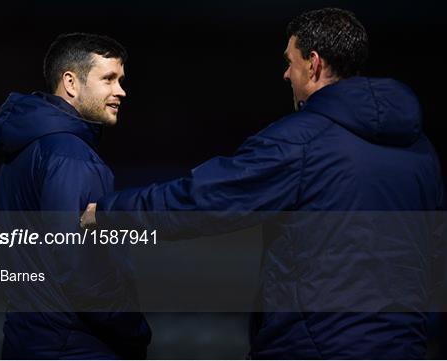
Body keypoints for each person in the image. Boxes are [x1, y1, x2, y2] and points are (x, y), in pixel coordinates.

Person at [81, 8, 444, 359]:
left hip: (313, 348)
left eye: (290, 61)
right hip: (403, 347)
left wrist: (111, 212)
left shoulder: (300, 141)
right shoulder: (419, 148)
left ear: (314, 63)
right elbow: (435, 250)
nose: (286, 74)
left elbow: (204, 200)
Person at [0, 33, 151, 359]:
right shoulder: (69, 154)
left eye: (121, 80)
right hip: (73, 346)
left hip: (27, 339)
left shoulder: (24, 147)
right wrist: (134, 331)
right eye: (108, 79)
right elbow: (80, 266)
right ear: (71, 83)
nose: (121, 91)